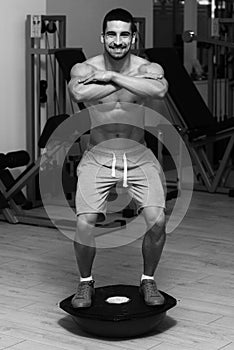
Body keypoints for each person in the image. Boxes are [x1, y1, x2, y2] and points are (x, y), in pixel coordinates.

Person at [68, 8, 168, 308]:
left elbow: (159, 90)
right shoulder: (84, 68)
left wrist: (111, 76)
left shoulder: (148, 67)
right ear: (103, 37)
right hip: (98, 155)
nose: (118, 40)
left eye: (124, 34)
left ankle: (148, 281)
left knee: (158, 220)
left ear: (133, 37)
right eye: (112, 34)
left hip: (137, 154)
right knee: (84, 223)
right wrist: (128, 81)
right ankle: (85, 284)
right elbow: (78, 94)